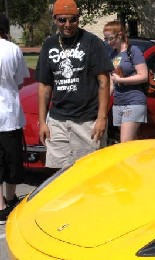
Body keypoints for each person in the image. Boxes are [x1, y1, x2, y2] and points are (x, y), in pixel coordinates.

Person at [36, 0, 114, 169]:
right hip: (57, 121)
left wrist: (102, 118)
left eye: (73, 19)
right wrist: (42, 122)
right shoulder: (49, 44)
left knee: (89, 173)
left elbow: (103, 81)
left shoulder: (92, 42)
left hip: (87, 122)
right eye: (62, 20)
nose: (68, 24)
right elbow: (44, 86)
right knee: (58, 174)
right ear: (55, 19)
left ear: (78, 19)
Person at [0, 11, 29, 225]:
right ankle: (10, 200)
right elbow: (20, 80)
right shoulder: (13, 49)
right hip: (9, 114)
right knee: (12, 161)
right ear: (5, 29)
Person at [103, 20, 149, 142]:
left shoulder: (133, 50)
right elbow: (112, 82)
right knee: (131, 143)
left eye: (110, 39)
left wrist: (122, 80)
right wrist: (103, 102)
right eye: (106, 39)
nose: (108, 42)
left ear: (120, 34)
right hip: (119, 102)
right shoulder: (112, 55)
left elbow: (143, 76)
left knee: (125, 142)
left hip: (134, 101)